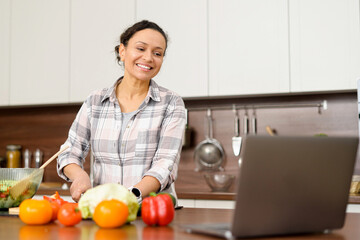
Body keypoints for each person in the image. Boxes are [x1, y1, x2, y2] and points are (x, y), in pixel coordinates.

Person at [57, 20, 186, 203]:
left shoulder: (171, 103)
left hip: (150, 212)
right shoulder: (95, 101)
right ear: (122, 51)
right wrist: (79, 176)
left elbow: (165, 164)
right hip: (104, 211)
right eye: (141, 49)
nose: (149, 58)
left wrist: (130, 197)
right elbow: (69, 152)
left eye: (157, 53)